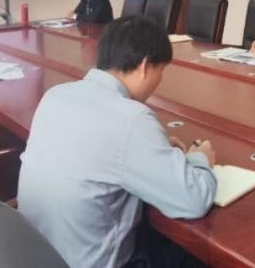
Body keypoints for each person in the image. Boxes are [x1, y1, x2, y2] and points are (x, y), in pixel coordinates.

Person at [18, 15, 216, 268]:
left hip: (38, 256)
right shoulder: (132, 119)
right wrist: (200, 159)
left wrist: (154, 147)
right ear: (145, 66)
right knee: (195, 256)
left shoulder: (56, 95)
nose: (160, 80)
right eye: (161, 70)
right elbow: (194, 200)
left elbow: (100, 147)